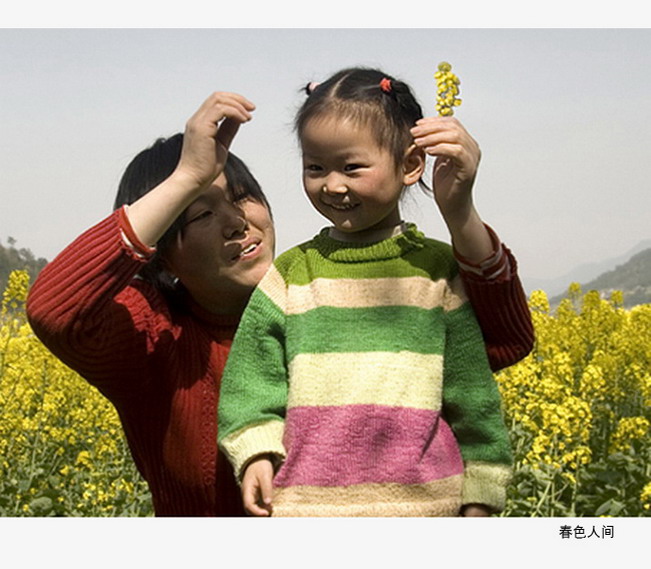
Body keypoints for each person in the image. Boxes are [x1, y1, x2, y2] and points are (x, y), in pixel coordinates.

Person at [26, 85, 532, 517]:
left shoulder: (322, 300)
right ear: (160, 256)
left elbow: (505, 342)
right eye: (200, 214)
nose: (237, 221)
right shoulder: (152, 342)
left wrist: (460, 214)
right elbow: (54, 310)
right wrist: (185, 178)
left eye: (243, 195)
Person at [217, 68, 517, 518]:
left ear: (412, 165)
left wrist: (482, 490)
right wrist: (256, 451)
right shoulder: (292, 273)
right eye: (315, 167)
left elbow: (471, 395)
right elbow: (252, 382)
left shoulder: (436, 270)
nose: (332, 185)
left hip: (426, 511)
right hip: (309, 511)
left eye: (352, 167)